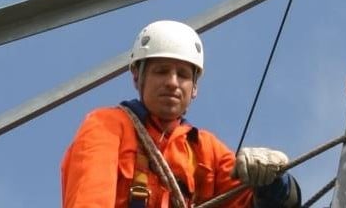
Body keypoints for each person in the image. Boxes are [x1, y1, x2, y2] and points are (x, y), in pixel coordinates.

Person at [62, 20, 302, 208]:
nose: (172, 83)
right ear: (137, 76)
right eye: (161, 71)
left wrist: (272, 180)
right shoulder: (108, 126)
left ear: (194, 87)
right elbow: (89, 199)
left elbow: (263, 203)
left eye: (183, 75)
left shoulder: (204, 150)